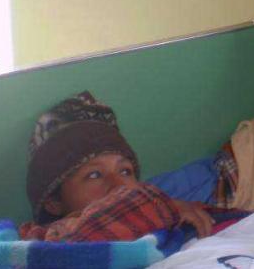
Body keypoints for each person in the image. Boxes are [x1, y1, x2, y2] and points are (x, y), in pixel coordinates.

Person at [23, 91, 215, 241]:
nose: (120, 185)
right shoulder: (45, 240)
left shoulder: (177, 218)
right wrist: (161, 209)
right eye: (94, 175)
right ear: (54, 203)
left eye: (125, 171)